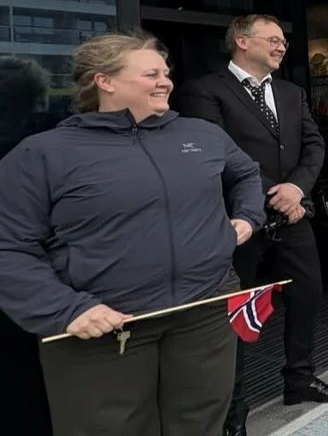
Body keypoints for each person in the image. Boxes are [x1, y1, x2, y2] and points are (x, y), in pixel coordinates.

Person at [0, 32, 266, 436]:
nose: (166, 82)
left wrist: (247, 217)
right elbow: (9, 248)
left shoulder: (202, 135)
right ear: (104, 81)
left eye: (166, 73)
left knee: (200, 423)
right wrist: (65, 309)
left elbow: (246, 173)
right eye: (150, 74)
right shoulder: (43, 153)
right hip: (104, 327)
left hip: (206, 310)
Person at [173, 14, 328, 436]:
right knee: (234, 314)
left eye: (283, 40)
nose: (282, 46)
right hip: (239, 222)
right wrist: (277, 194)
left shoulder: (291, 92)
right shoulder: (205, 90)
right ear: (241, 41)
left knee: (306, 295)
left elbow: (314, 144)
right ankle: (233, 410)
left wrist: (297, 189)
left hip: (293, 215)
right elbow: (220, 153)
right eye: (272, 38)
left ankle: (299, 379)